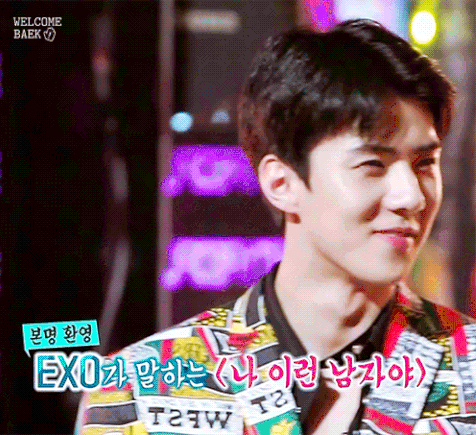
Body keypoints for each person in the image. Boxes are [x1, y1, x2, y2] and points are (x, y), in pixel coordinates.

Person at [75, 19, 476, 435]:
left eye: (424, 163)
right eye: (373, 164)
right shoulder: (138, 392)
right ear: (282, 184)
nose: (411, 196)